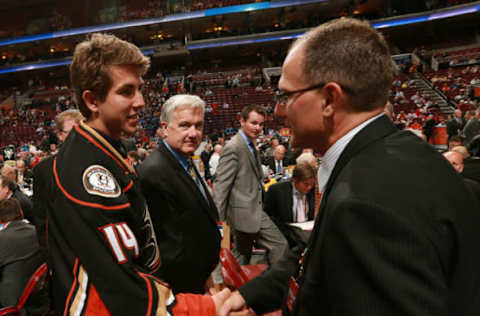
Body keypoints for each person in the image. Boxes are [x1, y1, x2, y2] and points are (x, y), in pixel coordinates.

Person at [220, 18, 480, 316]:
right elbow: (315, 254)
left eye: (286, 96)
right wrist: (250, 295)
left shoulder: (366, 203)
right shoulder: (400, 155)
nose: (279, 110)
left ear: (329, 99)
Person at [34, 33, 229, 315]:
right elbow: (121, 287)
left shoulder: (108, 151)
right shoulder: (86, 170)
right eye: (126, 91)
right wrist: (202, 307)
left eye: (139, 89)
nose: (140, 101)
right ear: (92, 101)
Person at [138, 94, 221, 294]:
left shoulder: (183, 159)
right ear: (165, 128)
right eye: (185, 125)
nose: (193, 133)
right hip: (181, 287)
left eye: (198, 125)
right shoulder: (155, 172)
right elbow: (168, 247)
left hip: (199, 279)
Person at [213, 105, 288, 265]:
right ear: (242, 121)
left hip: (249, 209)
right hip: (246, 212)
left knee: (242, 257)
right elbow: (221, 184)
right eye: (254, 123)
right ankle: (274, 286)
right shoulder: (234, 146)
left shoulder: (250, 143)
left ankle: (238, 288)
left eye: (261, 124)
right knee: (280, 246)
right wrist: (216, 221)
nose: (258, 128)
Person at [0, 198, 45, 315]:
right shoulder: (39, 233)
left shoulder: (2, 238)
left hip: (10, 301)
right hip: (39, 297)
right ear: (21, 213)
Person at [264, 163, 316, 249]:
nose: (309, 187)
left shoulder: (314, 192)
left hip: (308, 233)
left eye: (312, 184)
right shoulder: (277, 191)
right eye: (306, 184)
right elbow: (268, 217)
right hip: (285, 234)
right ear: (294, 180)